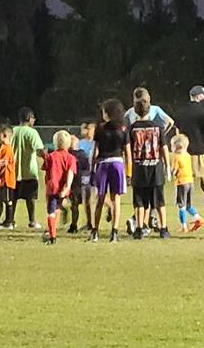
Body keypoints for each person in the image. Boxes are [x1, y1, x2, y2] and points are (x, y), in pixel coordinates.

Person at [126, 90, 172, 238]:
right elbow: (164, 148)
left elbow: (128, 150)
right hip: (155, 169)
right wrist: (168, 167)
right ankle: (163, 228)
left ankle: (139, 228)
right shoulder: (158, 127)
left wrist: (128, 170)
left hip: (139, 169)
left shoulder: (132, 129)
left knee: (139, 201)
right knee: (159, 201)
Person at [89, 99, 129, 243]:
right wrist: (129, 172)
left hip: (103, 164)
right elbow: (127, 152)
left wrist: (92, 166)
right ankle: (114, 232)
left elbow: (95, 151)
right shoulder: (123, 129)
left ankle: (95, 232)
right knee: (116, 199)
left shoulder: (100, 128)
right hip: (117, 163)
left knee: (100, 198)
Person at [7, 110, 46, 231]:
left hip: (13, 170)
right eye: (33, 118)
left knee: (13, 198)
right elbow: (39, 150)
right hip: (29, 170)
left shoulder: (12, 131)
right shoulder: (32, 132)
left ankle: (10, 221)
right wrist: (47, 157)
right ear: (29, 118)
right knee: (31, 198)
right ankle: (32, 221)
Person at [41, 130, 78, 244]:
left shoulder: (51, 157)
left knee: (51, 212)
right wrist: (67, 187)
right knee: (56, 208)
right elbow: (70, 174)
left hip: (52, 188)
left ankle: (52, 236)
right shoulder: (71, 158)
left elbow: (46, 170)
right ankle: (53, 230)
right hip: (62, 189)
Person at [169, 131, 201, 233]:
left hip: (181, 183)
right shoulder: (187, 155)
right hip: (190, 182)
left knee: (181, 205)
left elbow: (174, 171)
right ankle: (198, 218)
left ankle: (183, 226)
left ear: (176, 147)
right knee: (188, 205)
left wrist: (169, 172)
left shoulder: (176, 157)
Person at [71, 123, 96, 234]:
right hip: (81, 174)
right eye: (84, 129)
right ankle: (89, 223)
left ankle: (109, 208)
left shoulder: (95, 143)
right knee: (85, 199)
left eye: (88, 129)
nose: (86, 131)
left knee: (94, 198)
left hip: (92, 173)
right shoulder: (80, 143)